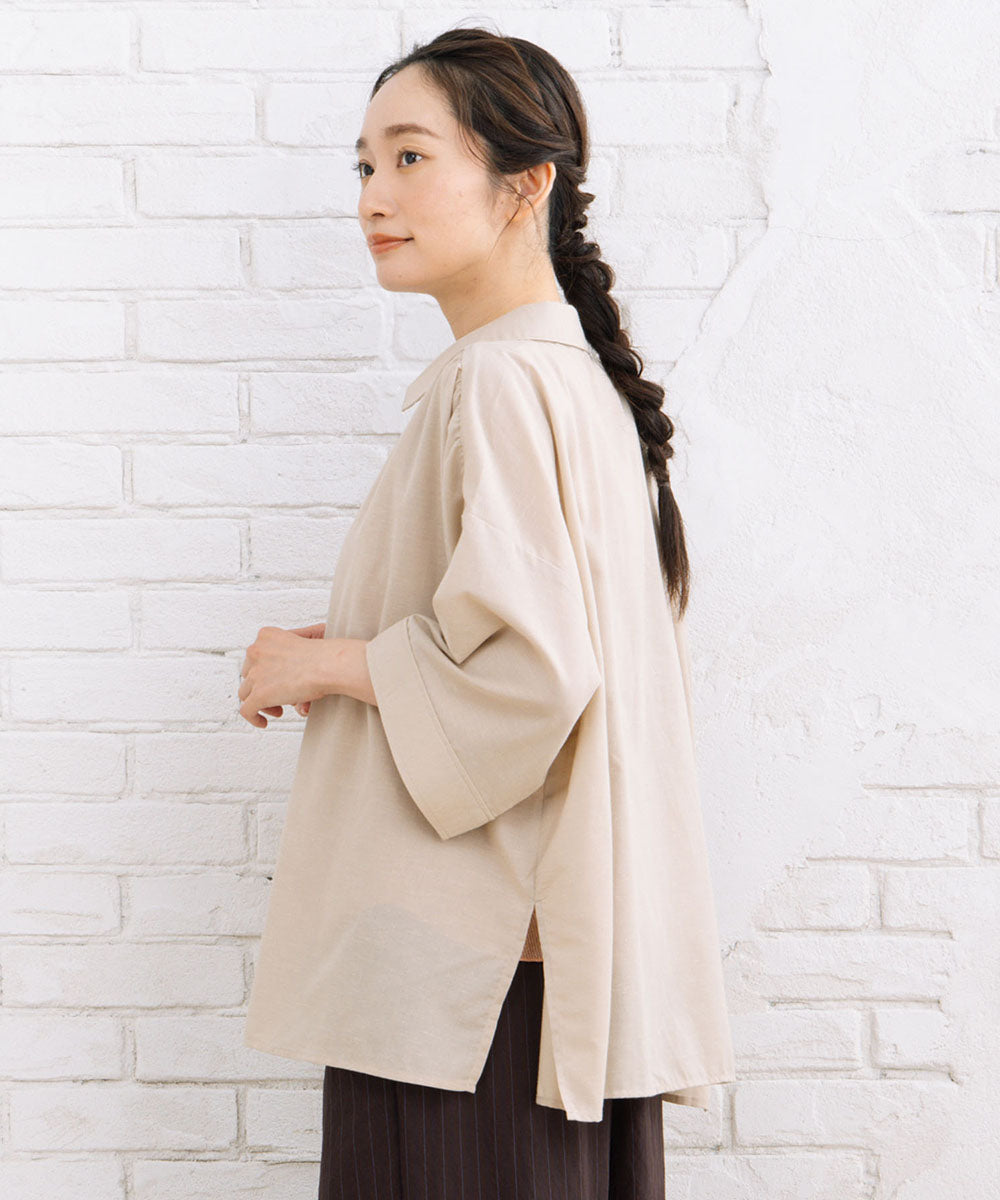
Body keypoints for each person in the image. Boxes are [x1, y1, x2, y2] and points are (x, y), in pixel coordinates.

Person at [237, 24, 736, 1199]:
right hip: (539, 961)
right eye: (365, 165)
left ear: (525, 185)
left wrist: (322, 669)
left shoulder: (498, 379)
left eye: (411, 158)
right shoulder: (567, 378)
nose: (374, 196)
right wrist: (353, 648)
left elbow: (531, 674)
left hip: (472, 989)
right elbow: (538, 641)